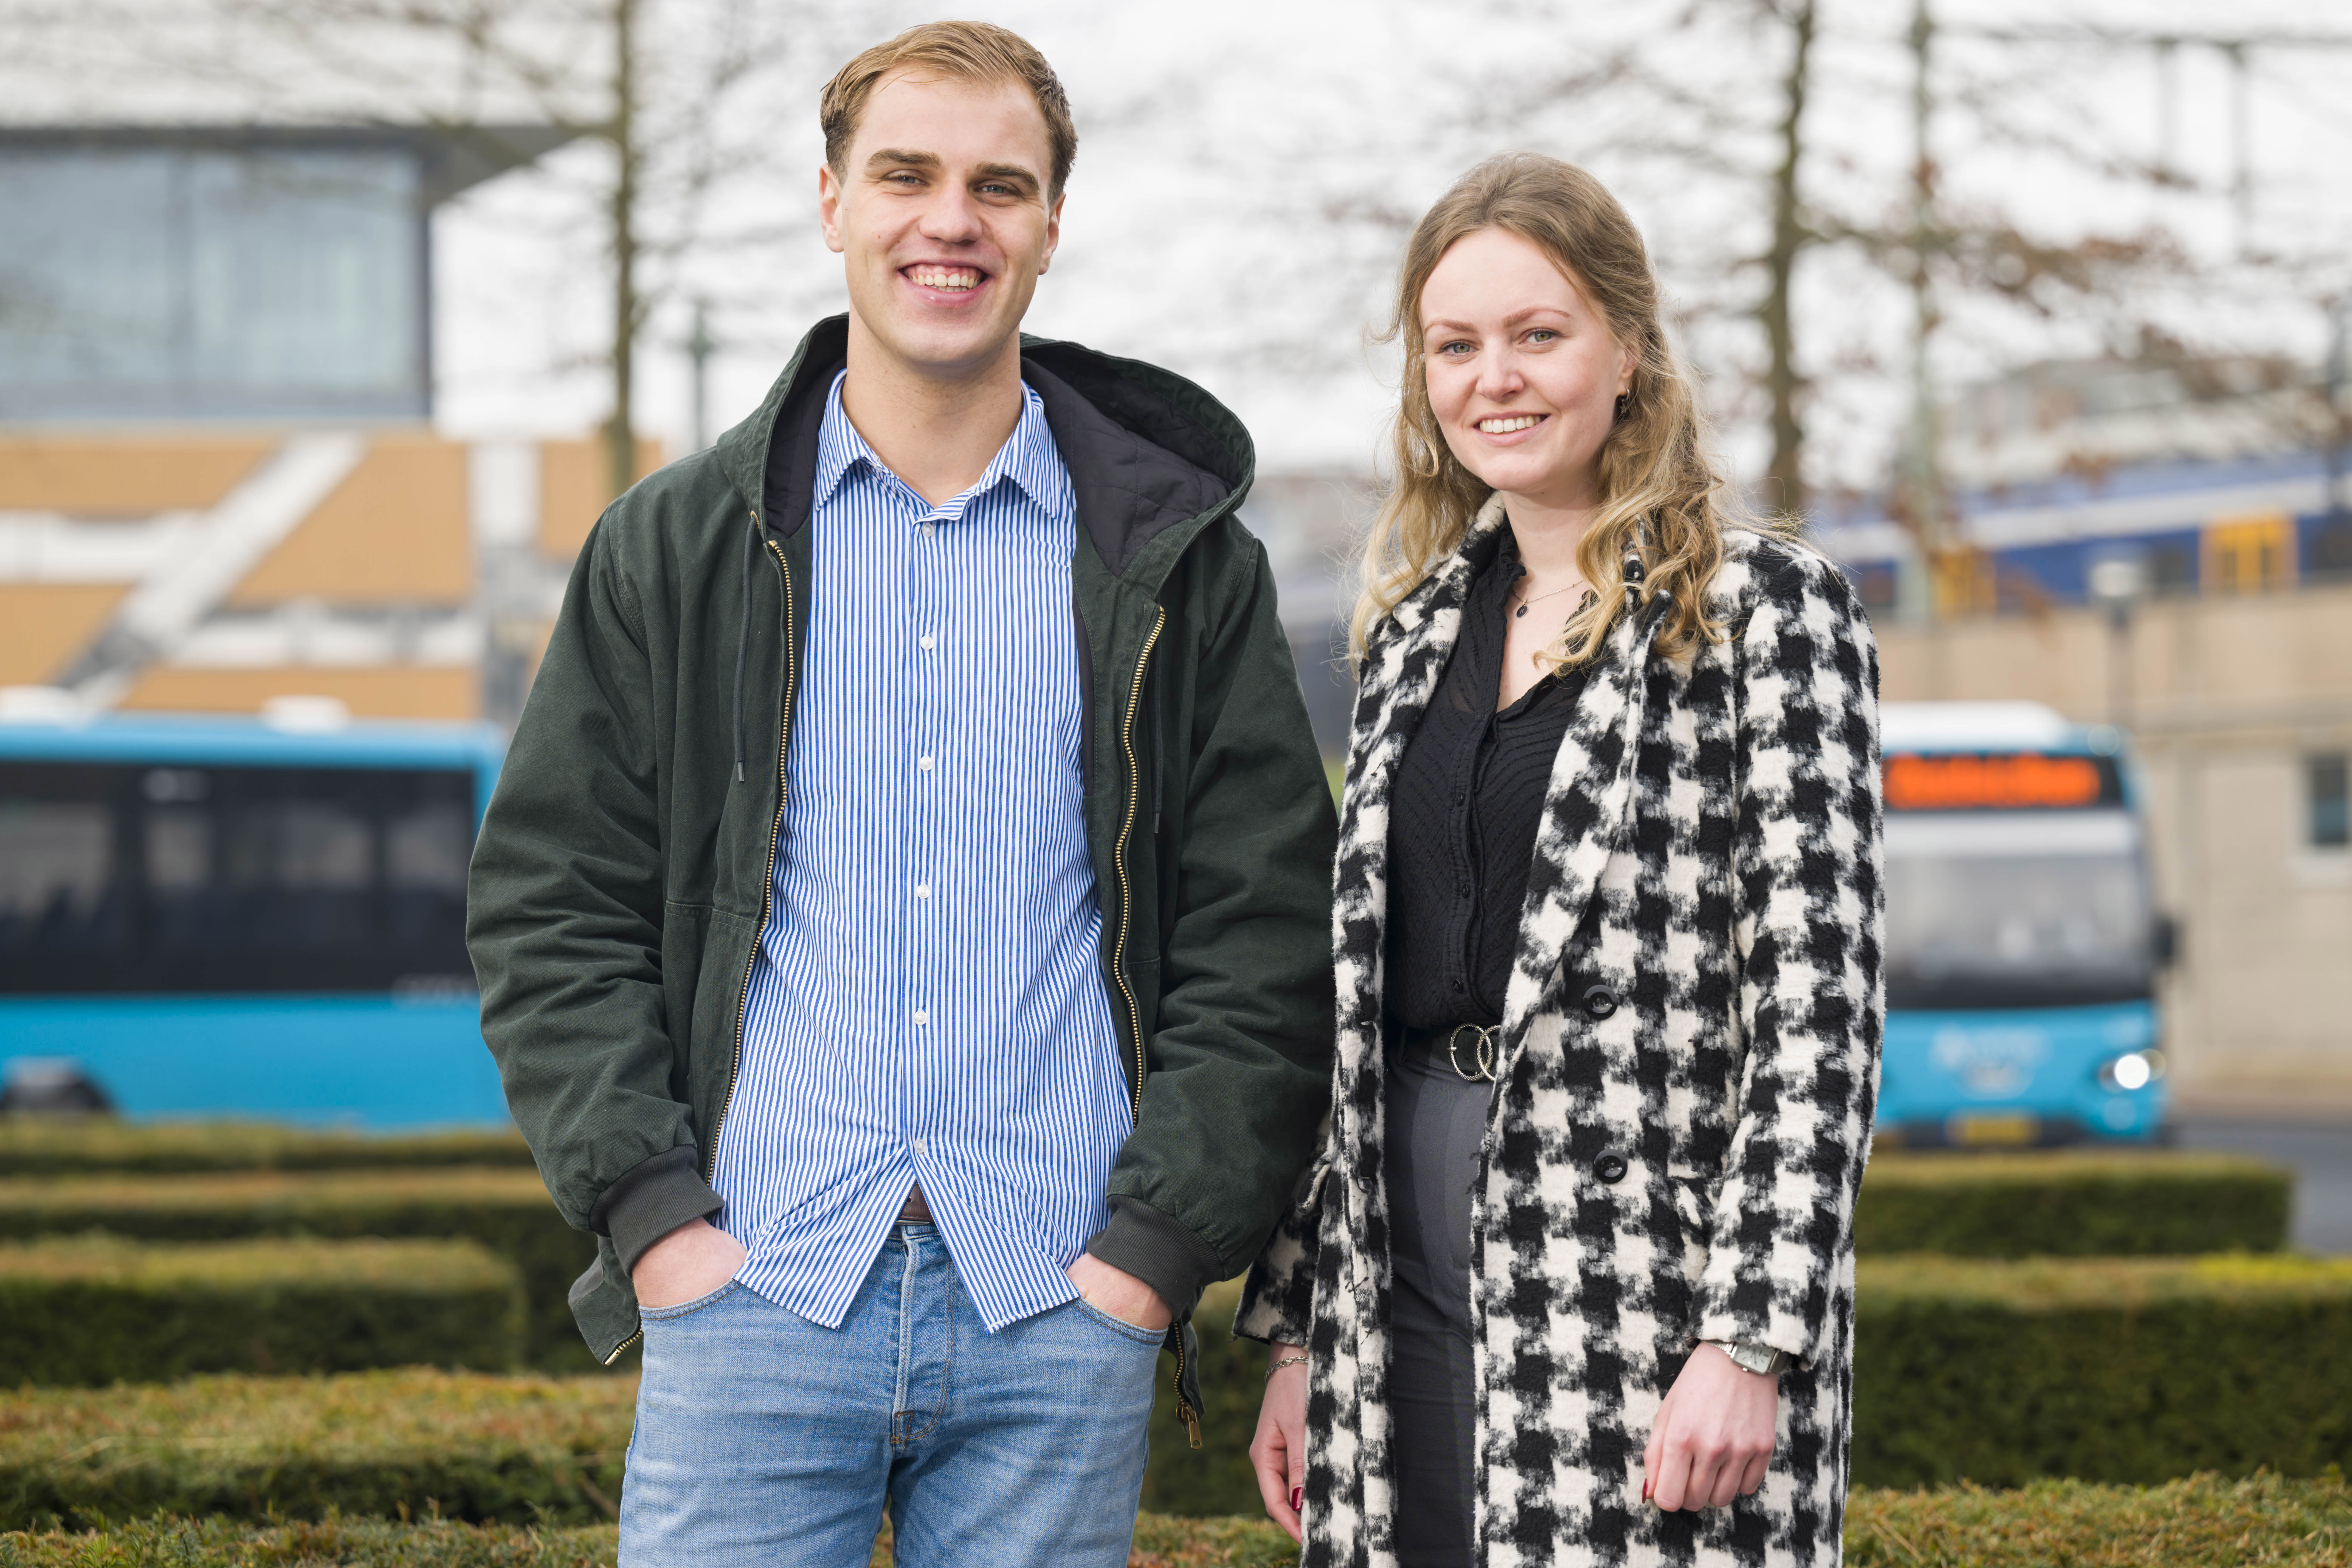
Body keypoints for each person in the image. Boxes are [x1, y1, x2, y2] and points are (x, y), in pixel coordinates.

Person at [466, 21, 1337, 1568]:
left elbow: (1263, 935)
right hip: (755, 1297)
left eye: (1000, 185)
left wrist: (1148, 1255)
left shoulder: (1185, 568)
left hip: (1056, 1304)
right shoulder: (669, 550)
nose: (953, 220)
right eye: (906, 175)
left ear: (1052, 226)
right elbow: (552, 906)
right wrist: (658, 1224)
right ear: (831, 205)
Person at [1237, 152, 1884, 1568]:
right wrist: (1295, 1331)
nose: (1496, 378)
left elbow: (1816, 1013)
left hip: (1646, 1290)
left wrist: (1752, 1335)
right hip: (1392, 1276)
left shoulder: (1766, 613)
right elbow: (1350, 1006)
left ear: (1628, 348)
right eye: (1454, 345)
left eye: (1539, 333)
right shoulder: (1410, 635)